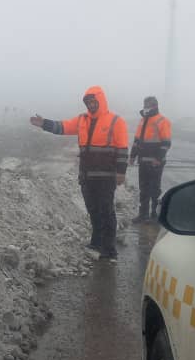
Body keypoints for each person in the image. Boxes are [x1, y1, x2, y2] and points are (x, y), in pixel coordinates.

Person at [30, 86, 129, 262]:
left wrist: (121, 172)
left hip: (106, 177)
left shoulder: (116, 121)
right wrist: (44, 123)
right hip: (87, 176)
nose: (91, 105)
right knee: (93, 210)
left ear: (101, 100)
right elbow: (62, 127)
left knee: (106, 211)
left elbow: (122, 149)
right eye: (88, 102)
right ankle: (96, 242)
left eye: (93, 101)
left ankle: (109, 249)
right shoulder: (82, 120)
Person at [129, 95, 172, 222]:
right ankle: (143, 214)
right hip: (143, 162)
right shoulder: (142, 121)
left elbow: (166, 143)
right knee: (143, 189)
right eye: (145, 105)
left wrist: (158, 158)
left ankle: (154, 215)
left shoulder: (163, 121)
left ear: (155, 106)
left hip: (155, 163)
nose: (146, 108)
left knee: (154, 189)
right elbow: (137, 141)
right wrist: (132, 156)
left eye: (149, 105)